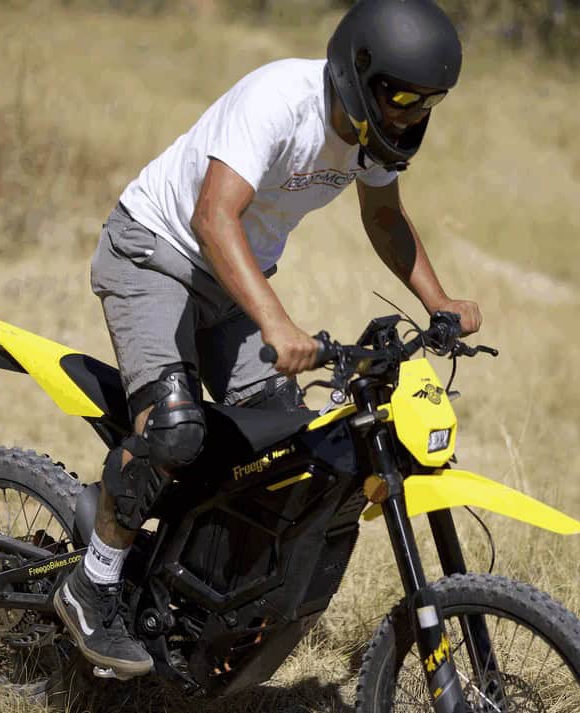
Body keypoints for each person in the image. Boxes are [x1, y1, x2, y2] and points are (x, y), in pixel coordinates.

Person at [53, 0, 482, 676]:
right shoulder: (280, 100)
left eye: (427, 102)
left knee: (283, 451)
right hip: (156, 254)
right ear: (359, 72)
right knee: (172, 431)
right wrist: (277, 323)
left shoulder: (368, 135)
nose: (410, 114)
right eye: (401, 97)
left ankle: (200, 597)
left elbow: (383, 217)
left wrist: (439, 301)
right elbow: (212, 216)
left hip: (232, 280)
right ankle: (91, 585)